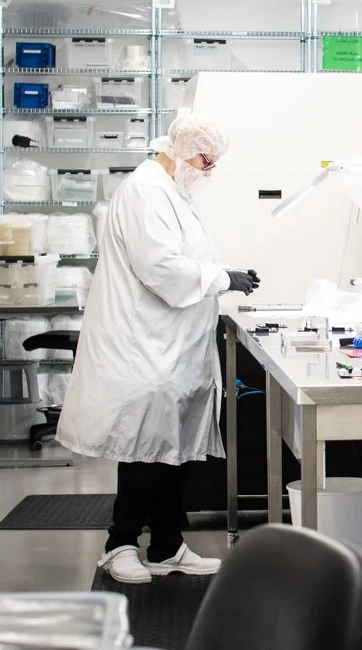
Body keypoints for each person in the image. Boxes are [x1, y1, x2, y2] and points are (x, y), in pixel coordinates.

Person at [57, 112, 262, 584]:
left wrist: (222, 274)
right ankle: (119, 545)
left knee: (171, 453)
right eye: (206, 160)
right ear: (183, 151)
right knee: (145, 452)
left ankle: (168, 546)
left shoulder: (171, 192)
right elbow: (160, 266)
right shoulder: (146, 191)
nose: (210, 170)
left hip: (171, 346)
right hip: (144, 345)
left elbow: (184, 258)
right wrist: (222, 278)